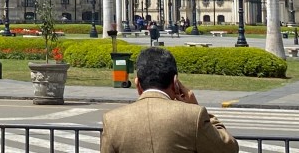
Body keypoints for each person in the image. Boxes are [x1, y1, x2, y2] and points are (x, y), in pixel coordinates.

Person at [100, 47, 237, 153]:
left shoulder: (112, 121)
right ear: (175, 82)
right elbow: (229, 148)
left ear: (137, 83)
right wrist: (198, 109)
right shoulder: (193, 116)